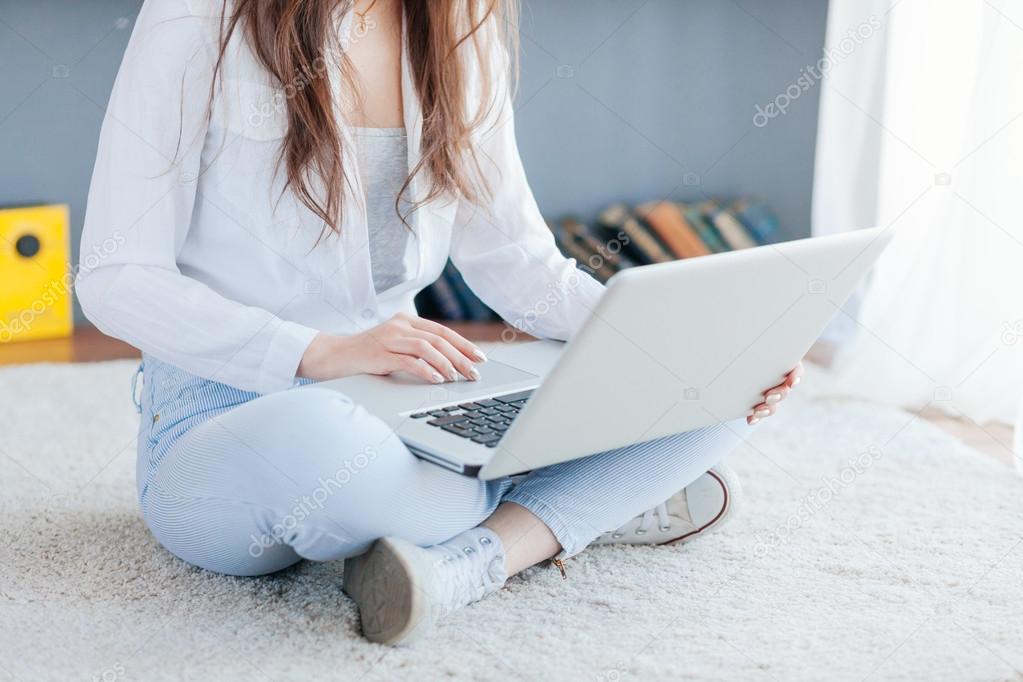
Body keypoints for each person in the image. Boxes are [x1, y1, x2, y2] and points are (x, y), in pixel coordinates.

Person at [77, 0, 801, 646]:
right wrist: (320, 351)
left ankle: (468, 563)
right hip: (232, 417)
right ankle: (575, 505)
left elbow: (518, 265)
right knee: (323, 442)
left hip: (412, 404)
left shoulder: (463, 22)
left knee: (716, 389)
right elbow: (116, 277)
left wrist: (681, 350)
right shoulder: (194, 16)